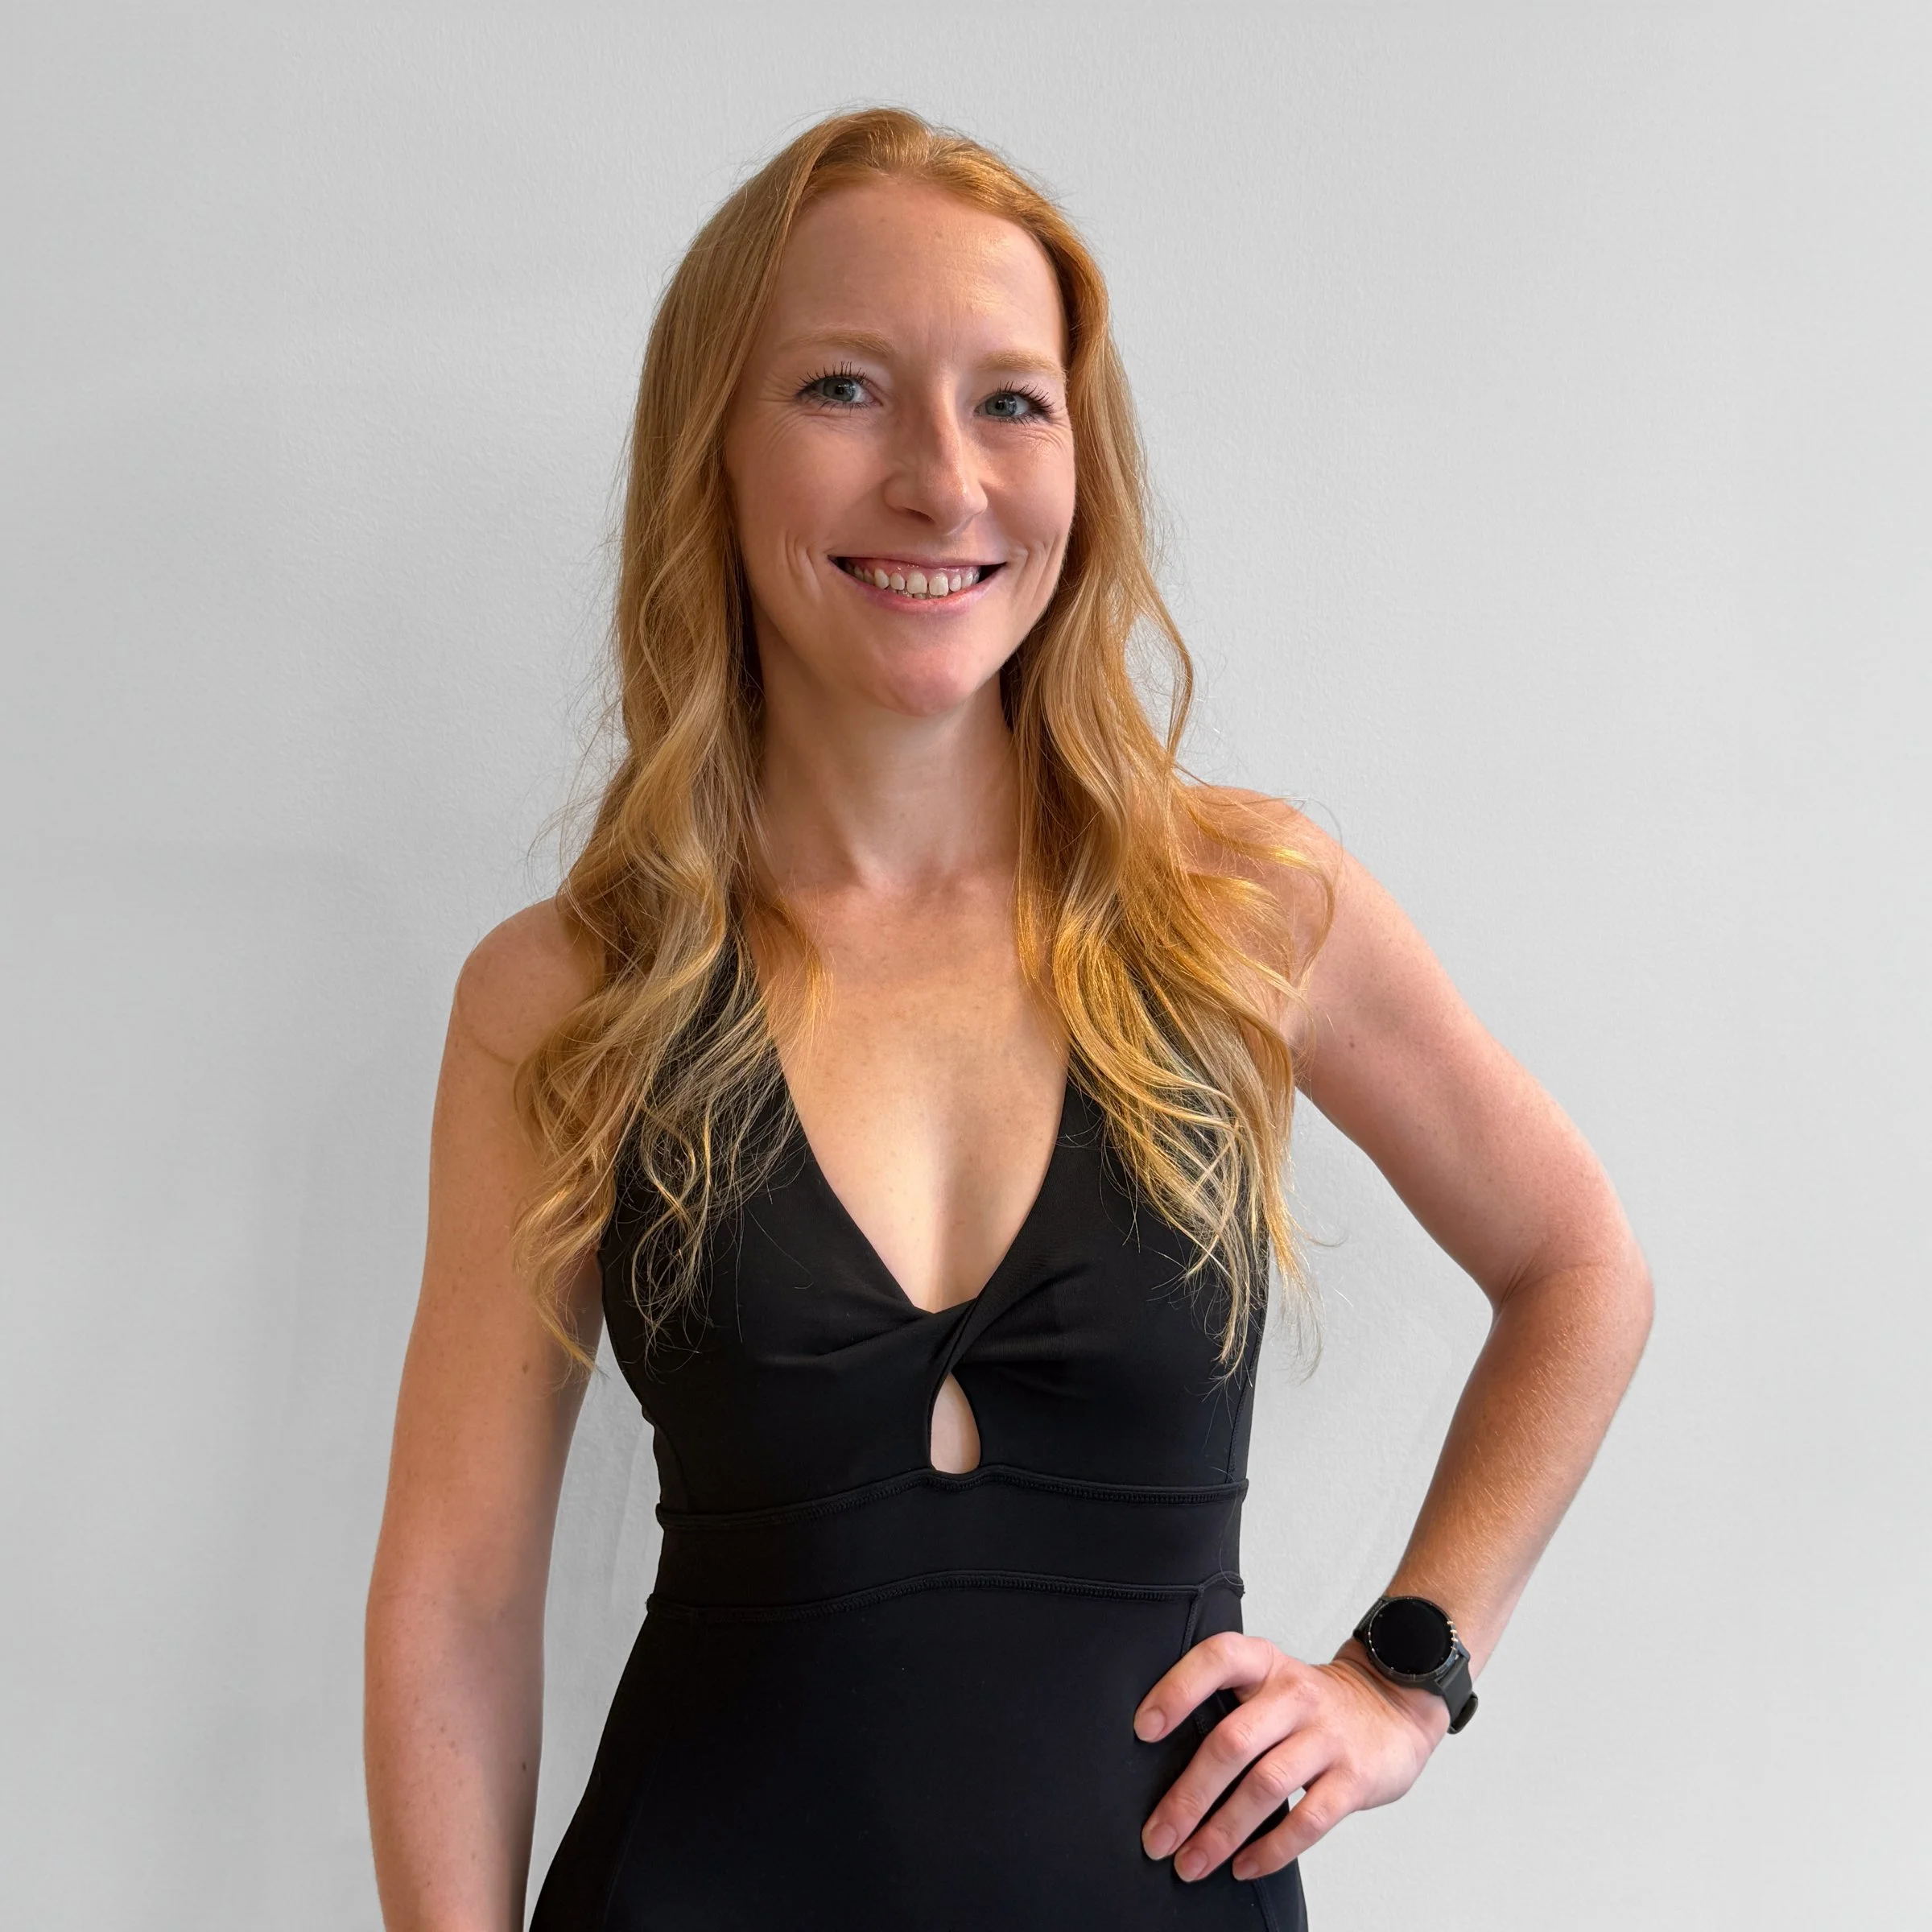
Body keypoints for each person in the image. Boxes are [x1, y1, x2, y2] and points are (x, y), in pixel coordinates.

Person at [363, 107, 1653, 1930]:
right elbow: (459, 1599)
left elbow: (1581, 1267)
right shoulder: (569, 994)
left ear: (1081, 464)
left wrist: (1405, 1677)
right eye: (843, 390)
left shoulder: (1243, 912)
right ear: (712, 451)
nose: (943, 480)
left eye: (1011, 403)